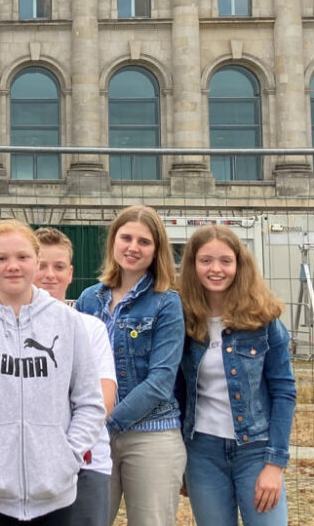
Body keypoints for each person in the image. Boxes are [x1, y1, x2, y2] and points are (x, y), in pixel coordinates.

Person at [0, 220, 104, 526]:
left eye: (22, 257)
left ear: (36, 261)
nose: (12, 266)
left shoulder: (68, 322)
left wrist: (67, 456)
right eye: (1, 258)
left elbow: (89, 403)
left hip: (54, 491)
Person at [74, 205, 186, 526]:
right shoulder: (88, 300)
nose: (133, 247)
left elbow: (161, 381)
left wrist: (105, 422)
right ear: (113, 242)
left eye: (144, 241)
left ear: (157, 251)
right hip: (93, 436)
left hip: (151, 435)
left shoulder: (167, 302)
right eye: (126, 237)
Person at [177, 225, 296, 526]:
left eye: (225, 261)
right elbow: (176, 390)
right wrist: (180, 460)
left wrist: (275, 463)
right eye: (206, 260)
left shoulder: (264, 319)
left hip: (256, 451)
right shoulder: (181, 319)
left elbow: (284, 391)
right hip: (202, 452)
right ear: (192, 265)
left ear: (239, 265)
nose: (216, 269)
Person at [34, 227, 118, 526]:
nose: (49, 275)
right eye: (41, 265)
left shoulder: (90, 328)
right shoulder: (10, 329)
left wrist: (65, 451)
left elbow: (103, 400)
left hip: (86, 461)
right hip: (28, 465)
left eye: (58, 267)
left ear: (70, 274)